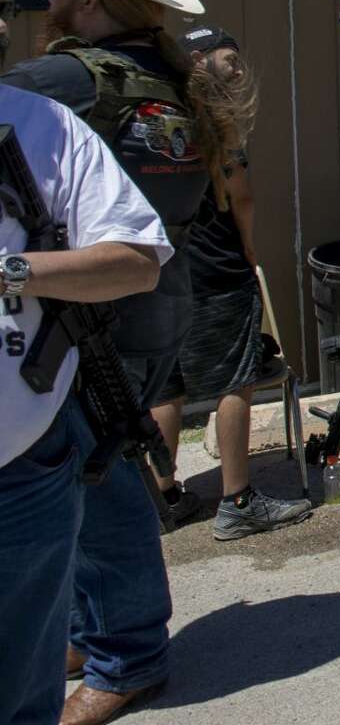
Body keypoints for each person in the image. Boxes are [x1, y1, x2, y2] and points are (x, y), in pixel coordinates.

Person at [4, 0, 247, 724]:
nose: (51, 4)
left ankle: (126, 652)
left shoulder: (58, 83)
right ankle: (91, 630)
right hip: (159, 292)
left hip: (80, 313)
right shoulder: (178, 81)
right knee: (100, 465)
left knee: (88, 479)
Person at [0, 75, 171, 725]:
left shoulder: (67, 93)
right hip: (95, 325)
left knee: (107, 495)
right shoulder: (149, 81)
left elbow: (141, 253)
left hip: (85, 332)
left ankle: (119, 651)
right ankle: (93, 639)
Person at [147, 26, 312, 540]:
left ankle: (163, 495)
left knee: (166, 386)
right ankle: (238, 500)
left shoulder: (154, 115)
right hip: (215, 272)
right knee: (234, 380)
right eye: (228, 58)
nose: (238, 68)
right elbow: (240, 196)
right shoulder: (214, 121)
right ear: (198, 60)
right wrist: (247, 247)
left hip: (160, 270)